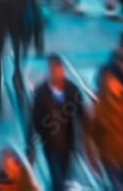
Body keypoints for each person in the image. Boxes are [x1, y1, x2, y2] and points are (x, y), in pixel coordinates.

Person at [29, 55, 85, 191]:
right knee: (57, 177)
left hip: (68, 144)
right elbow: (34, 121)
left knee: (63, 173)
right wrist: (30, 149)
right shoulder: (42, 93)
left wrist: (87, 141)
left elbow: (82, 114)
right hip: (50, 144)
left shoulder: (71, 90)